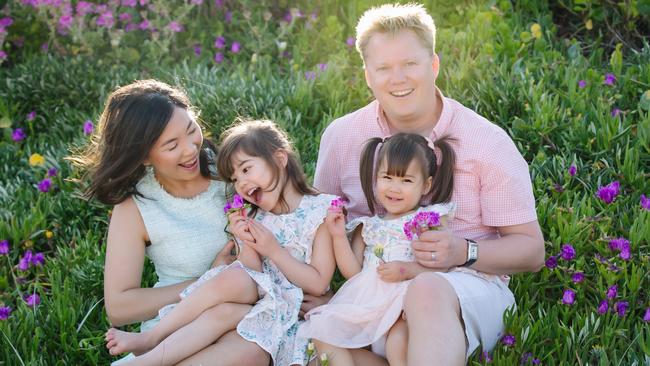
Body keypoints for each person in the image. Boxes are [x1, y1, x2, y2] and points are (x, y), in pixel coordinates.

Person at [311, 4, 545, 365]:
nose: (398, 79)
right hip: (374, 293)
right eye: (384, 68)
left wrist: (464, 252)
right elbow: (321, 226)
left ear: (433, 65)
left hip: (462, 289)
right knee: (315, 337)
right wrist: (322, 292)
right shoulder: (342, 137)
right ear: (367, 76)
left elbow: (531, 251)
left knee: (426, 289)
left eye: (410, 64)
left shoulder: (485, 142)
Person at [107, 119, 338, 366]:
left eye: (246, 171)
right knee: (232, 286)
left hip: (280, 308)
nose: (240, 185)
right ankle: (150, 343)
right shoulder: (256, 213)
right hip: (253, 300)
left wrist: (273, 250)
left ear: (280, 159)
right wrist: (245, 241)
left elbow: (319, 282)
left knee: (233, 289)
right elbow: (250, 268)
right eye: (235, 179)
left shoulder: (318, 213)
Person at [70, 79, 269, 365]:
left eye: (191, 130)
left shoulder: (232, 170)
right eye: (171, 145)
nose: (190, 150)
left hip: (247, 314)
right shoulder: (136, 207)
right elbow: (120, 306)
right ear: (145, 157)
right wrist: (207, 282)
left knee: (251, 351)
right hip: (177, 324)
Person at [299, 133, 460, 366]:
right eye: (387, 177)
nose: (395, 188)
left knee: (398, 343)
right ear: (376, 178)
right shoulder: (369, 226)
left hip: (401, 309)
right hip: (366, 308)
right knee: (322, 332)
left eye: (406, 181)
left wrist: (408, 269)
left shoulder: (429, 219)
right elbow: (353, 272)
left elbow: (443, 264)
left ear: (426, 185)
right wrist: (337, 236)